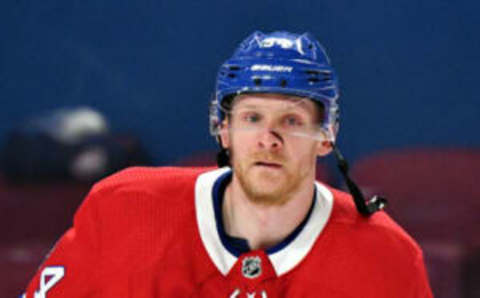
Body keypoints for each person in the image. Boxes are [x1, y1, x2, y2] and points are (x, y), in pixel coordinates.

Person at [23, 31, 432, 297]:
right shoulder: (126, 209)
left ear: (326, 136)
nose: (268, 138)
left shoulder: (387, 257)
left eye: (291, 120)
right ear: (222, 129)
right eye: (252, 118)